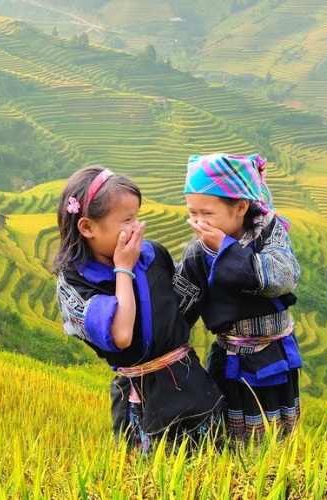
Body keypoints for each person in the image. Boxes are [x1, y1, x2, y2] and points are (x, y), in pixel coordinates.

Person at [53, 165, 224, 452]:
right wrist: (123, 269)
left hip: (192, 386)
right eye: (127, 219)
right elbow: (121, 335)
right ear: (87, 227)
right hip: (141, 405)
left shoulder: (153, 254)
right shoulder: (75, 282)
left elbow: (183, 306)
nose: (137, 227)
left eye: (137, 216)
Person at [175, 153, 302, 445]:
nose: (197, 221)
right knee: (237, 437)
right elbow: (181, 307)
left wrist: (226, 249)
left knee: (281, 434)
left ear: (241, 207)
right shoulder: (197, 254)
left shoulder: (270, 233)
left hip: (278, 352)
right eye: (192, 213)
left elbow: (285, 276)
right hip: (234, 361)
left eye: (207, 213)